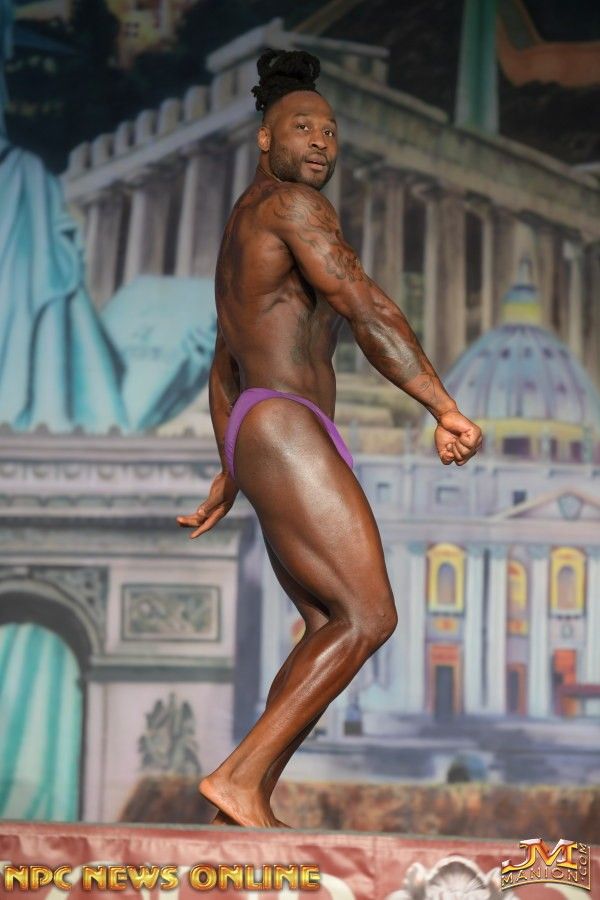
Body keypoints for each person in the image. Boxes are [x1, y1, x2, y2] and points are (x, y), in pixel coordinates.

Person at [177, 48, 483, 828]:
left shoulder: (243, 222)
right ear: (265, 139)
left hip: (271, 427)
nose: (321, 142)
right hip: (284, 423)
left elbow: (224, 359)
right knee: (368, 616)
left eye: (331, 131)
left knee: (327, 624)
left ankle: (246, 796)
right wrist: (441, 406)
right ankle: (238, 778)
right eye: (302, 127)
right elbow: (364, 304)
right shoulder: (292, 207)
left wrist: (230, 469)